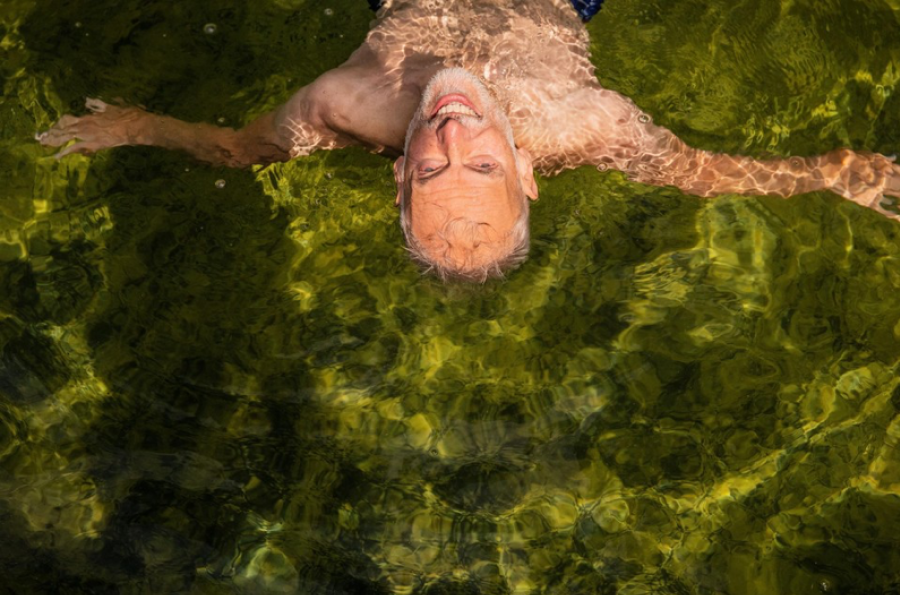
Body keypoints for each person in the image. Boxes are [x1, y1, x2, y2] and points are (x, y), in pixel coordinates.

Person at [37, 0, 900, 282]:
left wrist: (139, 126)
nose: (453, 129)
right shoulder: (590, 125)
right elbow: (702, 174)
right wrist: (831, 175)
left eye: (432, 169)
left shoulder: (344, 105)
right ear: (527, 169)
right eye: (482, 164)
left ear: (399, 178)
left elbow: (240, 150)